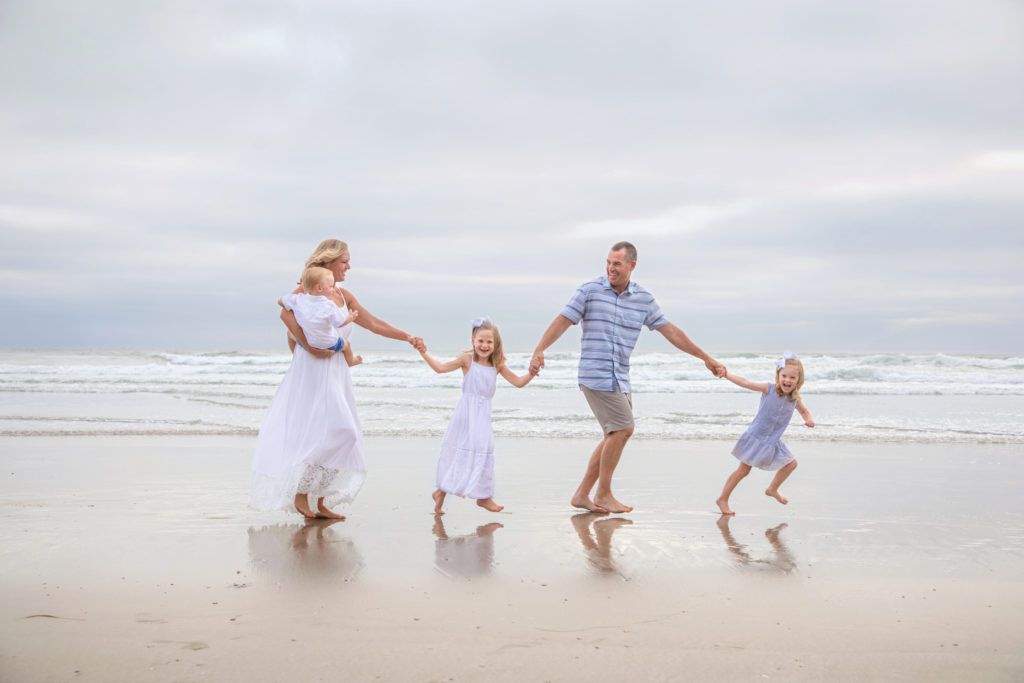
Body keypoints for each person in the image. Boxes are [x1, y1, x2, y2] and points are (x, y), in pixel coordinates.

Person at [530, 241, 726, 514]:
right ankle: (604, 493)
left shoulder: (643, 299)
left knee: (614, 434)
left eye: (617, 264)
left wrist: (705, 357)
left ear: (632, 265)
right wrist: (540, 349)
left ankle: (582, 494)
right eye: (608, 262)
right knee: (623, 429)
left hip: (620, 376)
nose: (611, 268)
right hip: (595, 373)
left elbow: (671, 332)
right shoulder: (589, 291)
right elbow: (563, 320)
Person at [250, 239, 422, 520]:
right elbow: (285, 313)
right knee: (326, 431)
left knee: (342, 433)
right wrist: (309, 346)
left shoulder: (344, 296)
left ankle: (318, 499)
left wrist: (407, 336)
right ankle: (302, 494)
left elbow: (374, 323)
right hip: (312, 369)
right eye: (344, 261)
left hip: (337, 371)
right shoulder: (308, 290)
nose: (349, 266)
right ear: (327, 262)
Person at [418, 317, 535, 515]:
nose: (484, 345)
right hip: (465, 415)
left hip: (482, 416)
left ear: (495, 344)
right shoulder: (467, 361)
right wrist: (423, 352)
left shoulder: (497, 365)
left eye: (489, 342)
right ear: (473, 340)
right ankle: (442, 492)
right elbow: (440, 368)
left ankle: (482, 496)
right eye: (481, 340)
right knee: (458, 452)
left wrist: (532, 372)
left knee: (484, 449)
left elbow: (518, 382)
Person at [716, 352, 815, 515]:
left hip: (773, 441)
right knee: (743, 471)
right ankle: (723, 499)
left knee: (791, 464)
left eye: (792, 378)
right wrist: (726, 375)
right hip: (756, 437)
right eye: (784, 376)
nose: (787, 380)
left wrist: (808, 419)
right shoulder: (768, 389)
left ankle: (772, 489)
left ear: (798, 380)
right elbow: (746, 383)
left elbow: (804, 411)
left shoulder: (795, 399)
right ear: (778, 375)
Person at [279, 266, 362, 368]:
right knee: (347, 345)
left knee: (289, 334)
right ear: (319, 288)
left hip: (309, 342)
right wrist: (350, 318)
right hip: (328, 343)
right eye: (331, 286)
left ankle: (295, 358)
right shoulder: (328, 305)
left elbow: (280, 301)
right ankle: (351, 362)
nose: (333, 289)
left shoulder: (298, 299)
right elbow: (339, 323)